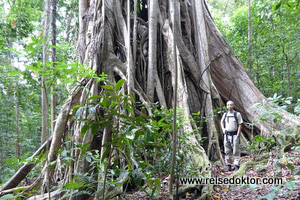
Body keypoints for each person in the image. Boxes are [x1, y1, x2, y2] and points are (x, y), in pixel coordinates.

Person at [220, 100, 243, 172]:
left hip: (234, 135)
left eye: (231, 104)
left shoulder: (237, 114)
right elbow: (221, 121)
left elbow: (240, 124)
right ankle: (228, 165)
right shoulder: (225, 114)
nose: (229, 106)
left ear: (233, 105)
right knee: (227, 151)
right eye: (228, 105)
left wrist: (238, 133)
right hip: (226, 135)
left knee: (236, 151)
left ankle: (236, 166)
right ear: (226, 106)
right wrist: (223, 129)